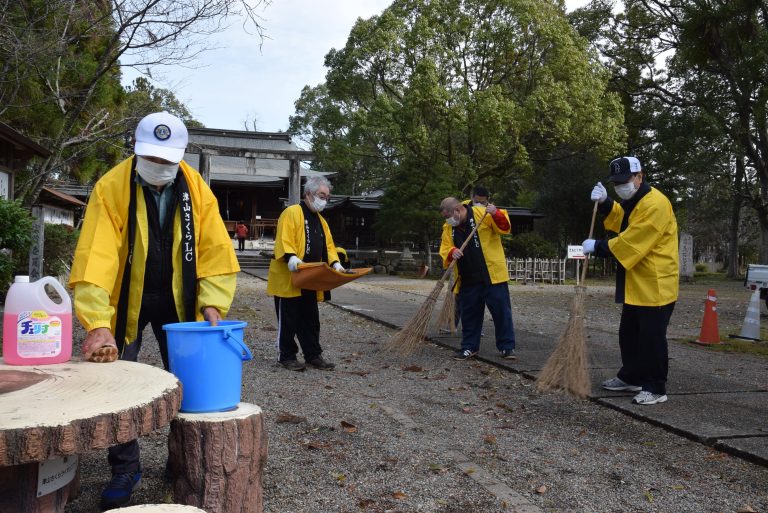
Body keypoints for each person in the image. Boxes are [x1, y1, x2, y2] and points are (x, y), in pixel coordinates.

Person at [69, 111, 240, 509]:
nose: (159, 167)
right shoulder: (111, 187)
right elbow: (96, 255)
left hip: (179, 295)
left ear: (180, 157)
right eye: (153, 158)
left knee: (191, 382)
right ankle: (124, 467)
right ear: (136, 149)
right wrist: (96, 320)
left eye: (167, 160)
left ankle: (181, 460)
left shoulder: (197, 189)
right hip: (126, 293)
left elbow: (215, 249)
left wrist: (212, 302)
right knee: (117, 382)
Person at [582, 156, 679, 406]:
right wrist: (605, 203)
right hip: (637, 282)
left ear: (639, 176)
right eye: (616, 183)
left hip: (656, 283)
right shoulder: (632, 200)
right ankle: (631, 376)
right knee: (629, 334)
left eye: (625, 181)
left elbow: (633, 238)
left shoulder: (655, 203)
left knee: (651, 338)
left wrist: (599, 246)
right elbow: (622, 220)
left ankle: (656, 386)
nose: (620, 187)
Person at [267, 175, 344, 372]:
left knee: (311, 318)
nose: (324, 200)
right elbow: (284, 238)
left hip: (312, 278)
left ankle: (313, 354)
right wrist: (291, 256)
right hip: (291, 276)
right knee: (289, 318)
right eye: (321, 195)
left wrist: (335, 263)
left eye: (327, 197)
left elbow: (328, 245)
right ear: (308, 194)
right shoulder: (292, 213)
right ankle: (286, 355)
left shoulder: (321, 221)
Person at [438, 196, 516, 361]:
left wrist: (495, 213)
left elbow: (504, 227)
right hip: (467, 278)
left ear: (458, 210)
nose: (447, 220)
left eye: (448, 216)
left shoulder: (482, 213)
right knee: (469, 315)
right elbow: (444, 248)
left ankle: (507, 347)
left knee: (501, 312)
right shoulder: (448, 228)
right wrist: (452, 252)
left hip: (492, 275)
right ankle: (469, 347)